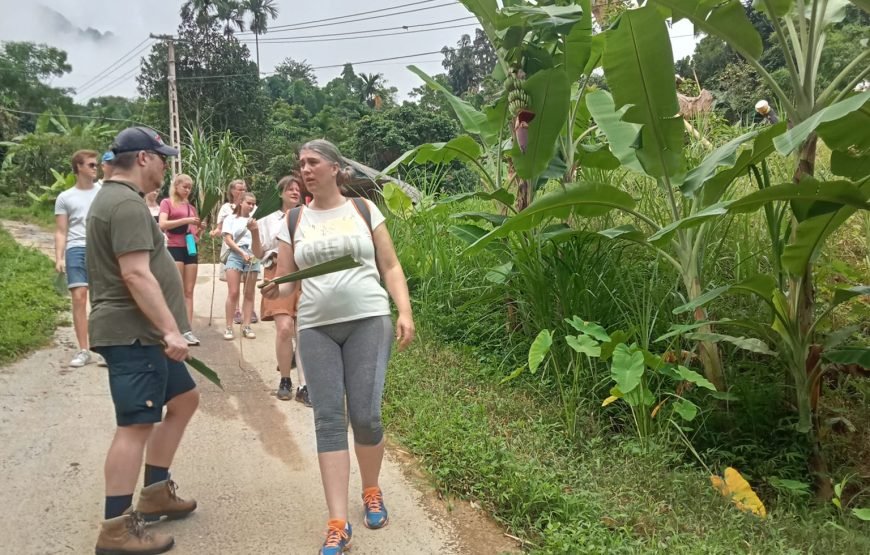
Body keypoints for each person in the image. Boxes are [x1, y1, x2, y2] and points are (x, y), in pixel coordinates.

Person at [263, 139, 415, 555]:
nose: (305, 169)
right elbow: (289, 283)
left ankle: (371, 490)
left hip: (368, 319)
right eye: (301, 164)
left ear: (335, 167)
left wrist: (404, 311)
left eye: (313, 162)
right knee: (328, 419)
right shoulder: (293, 221)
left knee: (365, 415)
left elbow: (390, 265)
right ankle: (337, 521)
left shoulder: (364, 211)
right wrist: (274, 281)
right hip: (316, 328)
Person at [87, 126, 199, 555]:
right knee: (135, 427)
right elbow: (135, 272)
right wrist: (170, 329)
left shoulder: (121, 201)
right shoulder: (125, 204)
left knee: (185, 398)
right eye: (163, 157)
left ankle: (154, 494)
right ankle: (115, 529)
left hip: (145, 333)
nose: (167, 166)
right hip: (135, 334)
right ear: (143, 159)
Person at [254, 174, 311, 404]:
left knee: (303, 331)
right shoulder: (267, 219)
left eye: (298, 189)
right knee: (285, 328)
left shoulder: (307, 216)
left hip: (305, 273)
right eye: (290, 188)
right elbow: (259, 253)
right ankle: (285, 379)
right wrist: (252, 232)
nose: (295, 192)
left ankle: (304, 385)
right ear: (280, 193)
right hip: (278, 271)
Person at [55, 149, 103, 368]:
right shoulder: (65, 197)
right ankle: (84, 350)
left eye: (96, 164)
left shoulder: (103, 191)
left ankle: (102, 348)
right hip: (75, 248)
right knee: (79, 297)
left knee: (101, 300)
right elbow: (61, 231)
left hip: (100, 248)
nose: (96, 168)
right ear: (79, 168)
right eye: (91, 165)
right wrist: (59, 257)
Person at [159, 174, 204, 346]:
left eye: (190, 187)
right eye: (185, 186)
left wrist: (200, 229)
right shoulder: (167, 203)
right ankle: (173, 328)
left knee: (189, 290)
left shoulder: (191, 208)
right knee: (176, 289)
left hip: (190, 247)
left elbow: (194, 235)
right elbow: (163, 224)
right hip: (174, 246)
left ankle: (187, 329)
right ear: (176, 186)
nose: (187, 190)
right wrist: (186, 220)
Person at [211, 179, 258, 324]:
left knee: (249, 285)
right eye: (239, 189)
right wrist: (215, 232)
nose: (241, 192)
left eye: (244, 189)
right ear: (232, 191)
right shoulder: (226, 208)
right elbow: (220, 228)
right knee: (234, 286)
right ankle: (236, 309)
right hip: (232, 247)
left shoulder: (254, 208)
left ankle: (248, 311)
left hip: (250, 249)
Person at [222, 192, 262, 341]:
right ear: (241, 203)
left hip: (252, 255)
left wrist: (254, 254)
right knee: (233, 292)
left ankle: (246, 325)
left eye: (253, 203)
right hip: (235, 253)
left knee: (249, 293)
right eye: (249, 203)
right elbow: (228, 239)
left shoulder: (257, 220)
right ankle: (228, 326)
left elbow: (259, 241)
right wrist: (241, 253)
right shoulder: (231, 219)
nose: (251, 206)